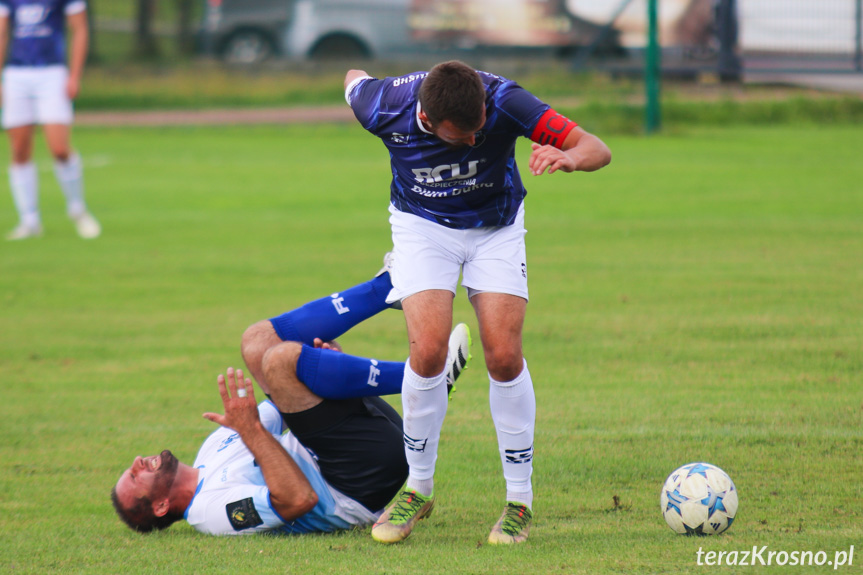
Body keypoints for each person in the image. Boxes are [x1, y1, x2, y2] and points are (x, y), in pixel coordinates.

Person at [344, 61, 612, 544]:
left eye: (479, 130)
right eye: (460, 136)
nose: (474, 140)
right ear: (425, 117)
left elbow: (597, 148)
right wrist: (357, 81)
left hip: (497, 229)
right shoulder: (383, 105)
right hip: (422, 229)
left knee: (504, 356)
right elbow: (353, 79)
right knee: (427, 351)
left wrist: (571, 158)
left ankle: (518, 503)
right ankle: (418, 489)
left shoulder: (505, 101)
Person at [111, 259, 471, 535]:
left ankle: (390, 285)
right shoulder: (209, 513)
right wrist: (251, 430)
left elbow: (291, 401)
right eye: (134, 476)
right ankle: (428, 380)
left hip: (354, 441)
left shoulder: (209, 452)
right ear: (160, 506)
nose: (138, 461)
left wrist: (323, 369)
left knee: (256, 344)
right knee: (281, 361)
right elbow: (299, 500)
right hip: (355, 483)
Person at [0, 0, 100, 240]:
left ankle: (77, 208)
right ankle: (29, 219)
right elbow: (2, 33)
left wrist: (75, 75)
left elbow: (80, 29)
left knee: (59, 148)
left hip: (52, 72)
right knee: (20, 149)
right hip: (17, 73)